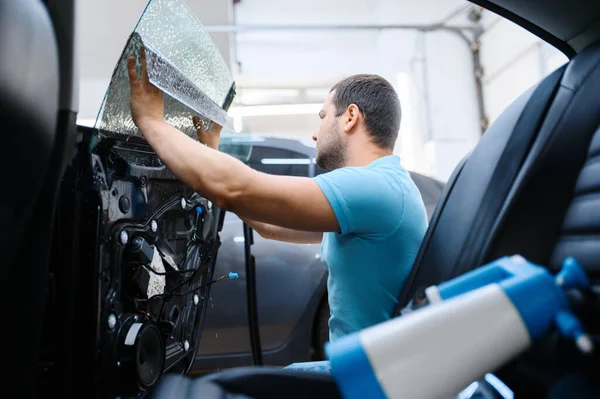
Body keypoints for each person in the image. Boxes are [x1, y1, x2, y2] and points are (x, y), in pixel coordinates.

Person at [127, 47, 428, 370]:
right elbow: (267, 223)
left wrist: (151, 121)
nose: (315, 133)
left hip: (366, 380)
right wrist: (212, 151)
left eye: (323, 118)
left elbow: (237, 189)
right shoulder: (384, 188)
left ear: (351, 117)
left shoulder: (374, 188)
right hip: (367, 369)